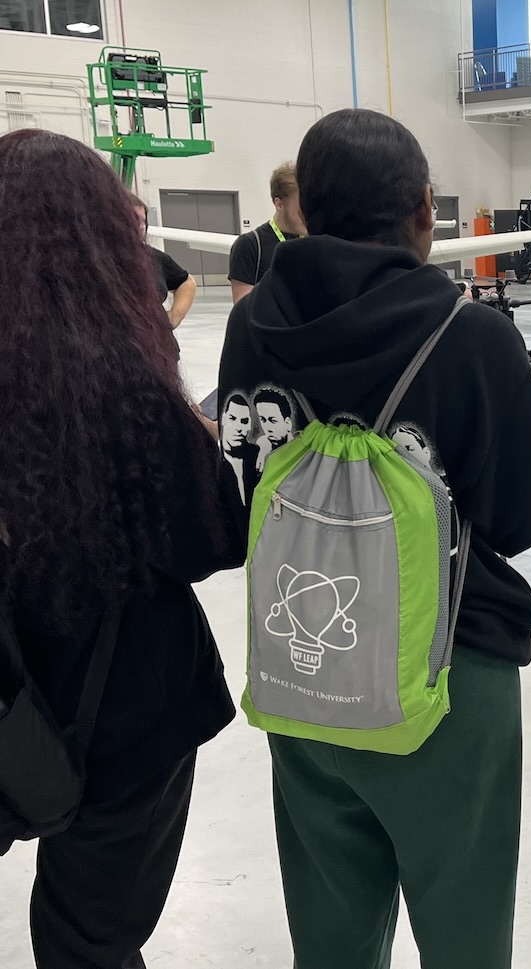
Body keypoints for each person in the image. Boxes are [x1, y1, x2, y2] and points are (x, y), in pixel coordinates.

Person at [216, 108, 531, 969]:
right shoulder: (467, 333)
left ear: (304, 210)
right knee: (464, 932)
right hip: (444, 680)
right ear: (423, 209)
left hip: (302, 665)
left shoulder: (250, 322)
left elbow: (243, 465)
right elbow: (526, 510)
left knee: (331, 935)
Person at [0, 128, 244, 967]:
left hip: (11, 701)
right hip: (127, 710)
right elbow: (212, 537)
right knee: (89, 938)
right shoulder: (124, 385)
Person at [228, 161, 305, 303]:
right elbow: (243, 309)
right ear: (279, 203)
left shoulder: (316, 240)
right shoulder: (250, 245)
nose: (307, 213)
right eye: (301, 206)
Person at [127, 192, 197, 329]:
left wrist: (175, 315)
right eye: (134, 220)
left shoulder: (155, 257)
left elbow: (187, 282)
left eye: (144, 221)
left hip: (158, 341)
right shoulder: (95, 261)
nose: (141, 226)